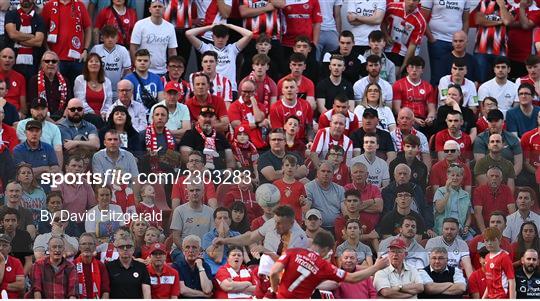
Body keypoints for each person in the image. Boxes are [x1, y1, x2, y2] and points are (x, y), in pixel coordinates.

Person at [270, 231, 389, 299]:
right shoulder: (323, 266)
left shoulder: (293, 251)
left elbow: (274, 272)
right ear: (326, 249)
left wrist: (275, 288)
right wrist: (376, 267)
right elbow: (352, 278)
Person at [213, 205, 309, 261]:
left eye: (279, 223)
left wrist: (265, 251)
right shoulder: (272, 223)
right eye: (275, 221)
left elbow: (287, 263)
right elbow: (250, 237)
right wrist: (225, 240)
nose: (275, 226)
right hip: (264, 268)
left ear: (291, 223)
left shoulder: (299, 238)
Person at [186, 24, 253, 94]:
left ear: (227, 37)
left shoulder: (232, 49)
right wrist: (210, 27)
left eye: (223, 37)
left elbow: (249, 34)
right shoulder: (206, 48)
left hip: (230, 89)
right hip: (212, 90)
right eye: (217, 37)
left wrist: (230, 26)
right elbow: (189, 34)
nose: (220, 40)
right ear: (212, 37)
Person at [41, 0, 91, 88]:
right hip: (56, 59)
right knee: (57, 90)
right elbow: (42, 30)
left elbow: (87, 29)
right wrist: (47, 49)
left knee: (76, 91)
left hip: (76, 59)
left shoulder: (80, 6)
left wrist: (85, 50)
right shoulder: (49, 5)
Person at [421, 0, 470, 87]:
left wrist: (463, 39)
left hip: (457, 42)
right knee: (438, 76)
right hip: (438, 40)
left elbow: (466, 20)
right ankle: (437, 100)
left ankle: (456, 99)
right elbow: (422, 18)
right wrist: (431, 38)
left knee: (457, 75)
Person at [179, 106, 235, 171]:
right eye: (204, 116)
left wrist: (230, 169)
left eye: (210, 117)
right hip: (197, 173)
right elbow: (186, 157)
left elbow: (229, 157)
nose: (207, 119)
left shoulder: (221, 136)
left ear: (215, 120)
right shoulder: (190, 134)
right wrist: (202, 170)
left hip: (220, 173)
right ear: (198, 118)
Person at [130, 0, 177, 75]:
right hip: (143, 71)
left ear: (164, 9)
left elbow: (172, 51)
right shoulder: (140, 25)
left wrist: (172, 69)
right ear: (150, 9)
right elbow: (133, 47)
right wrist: (137, 66)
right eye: (155, 6)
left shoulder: (170, 27)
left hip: (162, 71)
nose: (157, 8)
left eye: (160, 6)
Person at [4, 0, 46, 81]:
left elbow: (38, 42)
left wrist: (18, 40)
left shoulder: (39, 19)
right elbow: (12, 34)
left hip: (33, 65)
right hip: (12, 63)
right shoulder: (10, 14)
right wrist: (31, 36)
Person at [391, 56, 436, 131]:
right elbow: (396, 109)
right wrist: (414, 119)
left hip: (423, 120)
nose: (414, 70)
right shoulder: (398, 85)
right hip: (405, 118)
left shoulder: (428, 87)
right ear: (407, 69)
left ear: (422, 70)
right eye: (411, 67)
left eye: (418, 67)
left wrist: (430, 118)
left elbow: (432, 109)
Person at [473, 0, 513, 83]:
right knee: (481, 80)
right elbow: (478, 20)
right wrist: (499, 22)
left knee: (500, 81)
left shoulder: (509, 6)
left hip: (500, 51)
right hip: (481, 50)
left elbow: (507, 21)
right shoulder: (483, 3)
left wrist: (502, 5)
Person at [15, 97, 63, 167]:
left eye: (42, 109)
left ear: (47, 110)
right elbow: (25, 147)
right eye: (37, 109)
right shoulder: (22, 125)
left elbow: (58, 151)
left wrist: (59, 171)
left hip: (48, 165)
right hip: (27, 166)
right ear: (31, 111)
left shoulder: (54, 128)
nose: (40, 112)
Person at [381, 0, 426, 72]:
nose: (411, 2)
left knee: (398, 74)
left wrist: (404, 66)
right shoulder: (392, 7)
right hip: (389, 48)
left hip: (405, 52)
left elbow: (412, 45)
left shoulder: (420, 21)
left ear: (419, 2)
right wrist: (386, 35)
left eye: (415, 0)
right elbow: (382, 22)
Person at [27, 51, 71, 120]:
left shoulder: (65, 81)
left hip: (62, 119)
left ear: (58, 64)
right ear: (42, 64)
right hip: (40, 117)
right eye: (47, 61)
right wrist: (51, 122)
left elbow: (69, 104)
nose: (51, 63)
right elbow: (33, 104)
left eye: (54, 61)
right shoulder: (34, 80)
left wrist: (62, 120)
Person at [170, 182, 214, 250]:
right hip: (181, 250)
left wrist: (203, 251)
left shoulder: (211, 212)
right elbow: (176, 237)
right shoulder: (179, 211)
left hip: (204, 250)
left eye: (198, 190)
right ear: (187, 192)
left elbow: (212, 237)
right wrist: (187, 251)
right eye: (191, 190)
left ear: (203, 192)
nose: (195, 193)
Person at [106, 233, 151, 298]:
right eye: (121, 247)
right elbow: (105, 291)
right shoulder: (109, 266)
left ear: (133, 249)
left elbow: (146, 292)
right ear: (117, 249)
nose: (125, 249)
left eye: (128, 246)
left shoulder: (141, 267)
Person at [473, 166, 517, 233]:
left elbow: (512, 212)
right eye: (492, 176)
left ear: (501, 178)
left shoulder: (507, 190)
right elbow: (477, 213)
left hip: (503, 227)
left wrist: (507, 231)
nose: (494, 178)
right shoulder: (479, 191)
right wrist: (484, 232)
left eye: (497, 176)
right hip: (485, 227)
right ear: (487, 178)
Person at [432, 165, 473, 237]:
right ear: (447, 176)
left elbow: (468, 216)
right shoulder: (440, 191)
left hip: (460, 228)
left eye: (458, 175)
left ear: (462, 177)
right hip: (444, 227)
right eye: (452, 175)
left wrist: (466, 226)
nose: (455, 178)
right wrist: (447, 192)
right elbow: (439, 209)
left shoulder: (465, 194)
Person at [73, 53, 113, 125]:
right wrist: (92, 113)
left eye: (97, 61)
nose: (94, 63)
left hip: (103, 117)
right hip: (85, 115)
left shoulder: (107, 81)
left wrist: (104, 113)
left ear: (100, 65)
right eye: (91, 61)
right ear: (86, 65)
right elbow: (80, 101)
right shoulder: (80, 79)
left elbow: (108, 102)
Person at [305, 161, 345, 232]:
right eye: (323, 171)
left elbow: (345, 211)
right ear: (317, 173)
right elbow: (306, 211)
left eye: (328, 172)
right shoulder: (309, 187)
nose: (326, 174)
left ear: (333, 174)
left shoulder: (340, 189)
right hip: (316, 229)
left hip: (337, 228)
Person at [201, 207, 241, 275]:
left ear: (230, 220)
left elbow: (237, 255)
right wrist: (221, 235)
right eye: (219, 218)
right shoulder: (207, 237)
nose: (223, 221)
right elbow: (218, 259)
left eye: (225, 218)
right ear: (214, 221)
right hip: (215, 272)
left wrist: (227, 236)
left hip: (233, 271)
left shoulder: (237, 235)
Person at [483, 227, 516, 299]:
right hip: (490, 297)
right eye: (487, 240)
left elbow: (512, 280)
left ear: (499, 240)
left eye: (493, 240)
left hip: (502, 296)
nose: (489, 243)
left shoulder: (504, 257)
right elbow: (489, 281)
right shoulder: (487, 257)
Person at [75, 233, 110, 298]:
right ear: (79, 247)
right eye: (84, 244)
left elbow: (105, 291)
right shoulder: (72, 265)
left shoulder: (101, 266)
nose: (87, 247)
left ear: (95, 247)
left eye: (90, 244)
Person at [0, 207, 33, 275]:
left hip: (20, 272)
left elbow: (29, 261)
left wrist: (21, 277)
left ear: (18, 223)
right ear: (2, 222)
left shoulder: (25, 236)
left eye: (13, 220)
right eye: (7, 220)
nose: (10, 224)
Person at [0, 233, 24, 298]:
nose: (1, 248)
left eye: (4, 245)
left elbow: (21, 285)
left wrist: (2, 286)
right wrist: (2, 262)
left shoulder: (16, 262)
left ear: (10, 249)